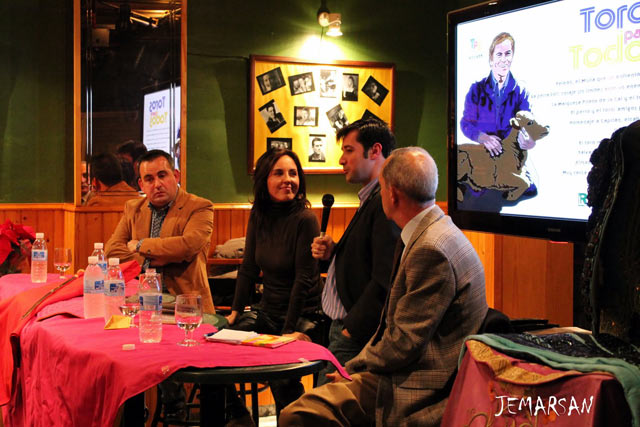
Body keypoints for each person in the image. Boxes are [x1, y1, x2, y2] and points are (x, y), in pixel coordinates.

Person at [280, 147, 488, 426]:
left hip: (421, 387)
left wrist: (350, 367)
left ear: (391, 194)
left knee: (297, 414)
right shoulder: (437, 228)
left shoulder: (431, 249)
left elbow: (404, 343)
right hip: (408, 370)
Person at [225, 148, 321, 420]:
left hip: (304, 315)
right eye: (278, 173)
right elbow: (248, 269)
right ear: (265, 180)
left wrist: (287, 330)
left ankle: (294, 421)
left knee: (280, 373)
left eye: (293, 173)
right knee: (214, 349)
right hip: (268, 311)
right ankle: (238, 418)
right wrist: (235, 311)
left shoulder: (305, 219)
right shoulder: (259, 214)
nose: (287, 179)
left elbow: (303, 279)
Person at [311, 118, 400, 385]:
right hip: (344, 331)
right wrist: (334, 253)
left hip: (354, 336)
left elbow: (386, 276)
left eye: (349, 150)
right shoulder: (372, 198)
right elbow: (367, 260)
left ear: (374, 151)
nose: (341, 159)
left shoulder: (386, 202)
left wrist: (352, 329)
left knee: (324, 415)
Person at [105, 149, 215, 313]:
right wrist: (150, 261)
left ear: (176, 176)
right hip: (142, 303)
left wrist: (140, 245)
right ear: (141, 185)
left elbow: (188, 245)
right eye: (149, 179)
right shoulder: (133, 208)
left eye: (162, 175)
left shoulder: (200, 207)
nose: (157, 184)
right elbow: (112, 251)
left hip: (186, 306)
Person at [460, 32, 534, 158]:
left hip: (510, 158)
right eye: (499, 54)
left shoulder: (521, 91)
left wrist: (528, 138)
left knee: (533, 178)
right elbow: (466, 123)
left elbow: (526, 123)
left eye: (508, 53)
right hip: (482, 159)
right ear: (491, 58)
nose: (504, 59)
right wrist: (482, 137)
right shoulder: (476, 90)